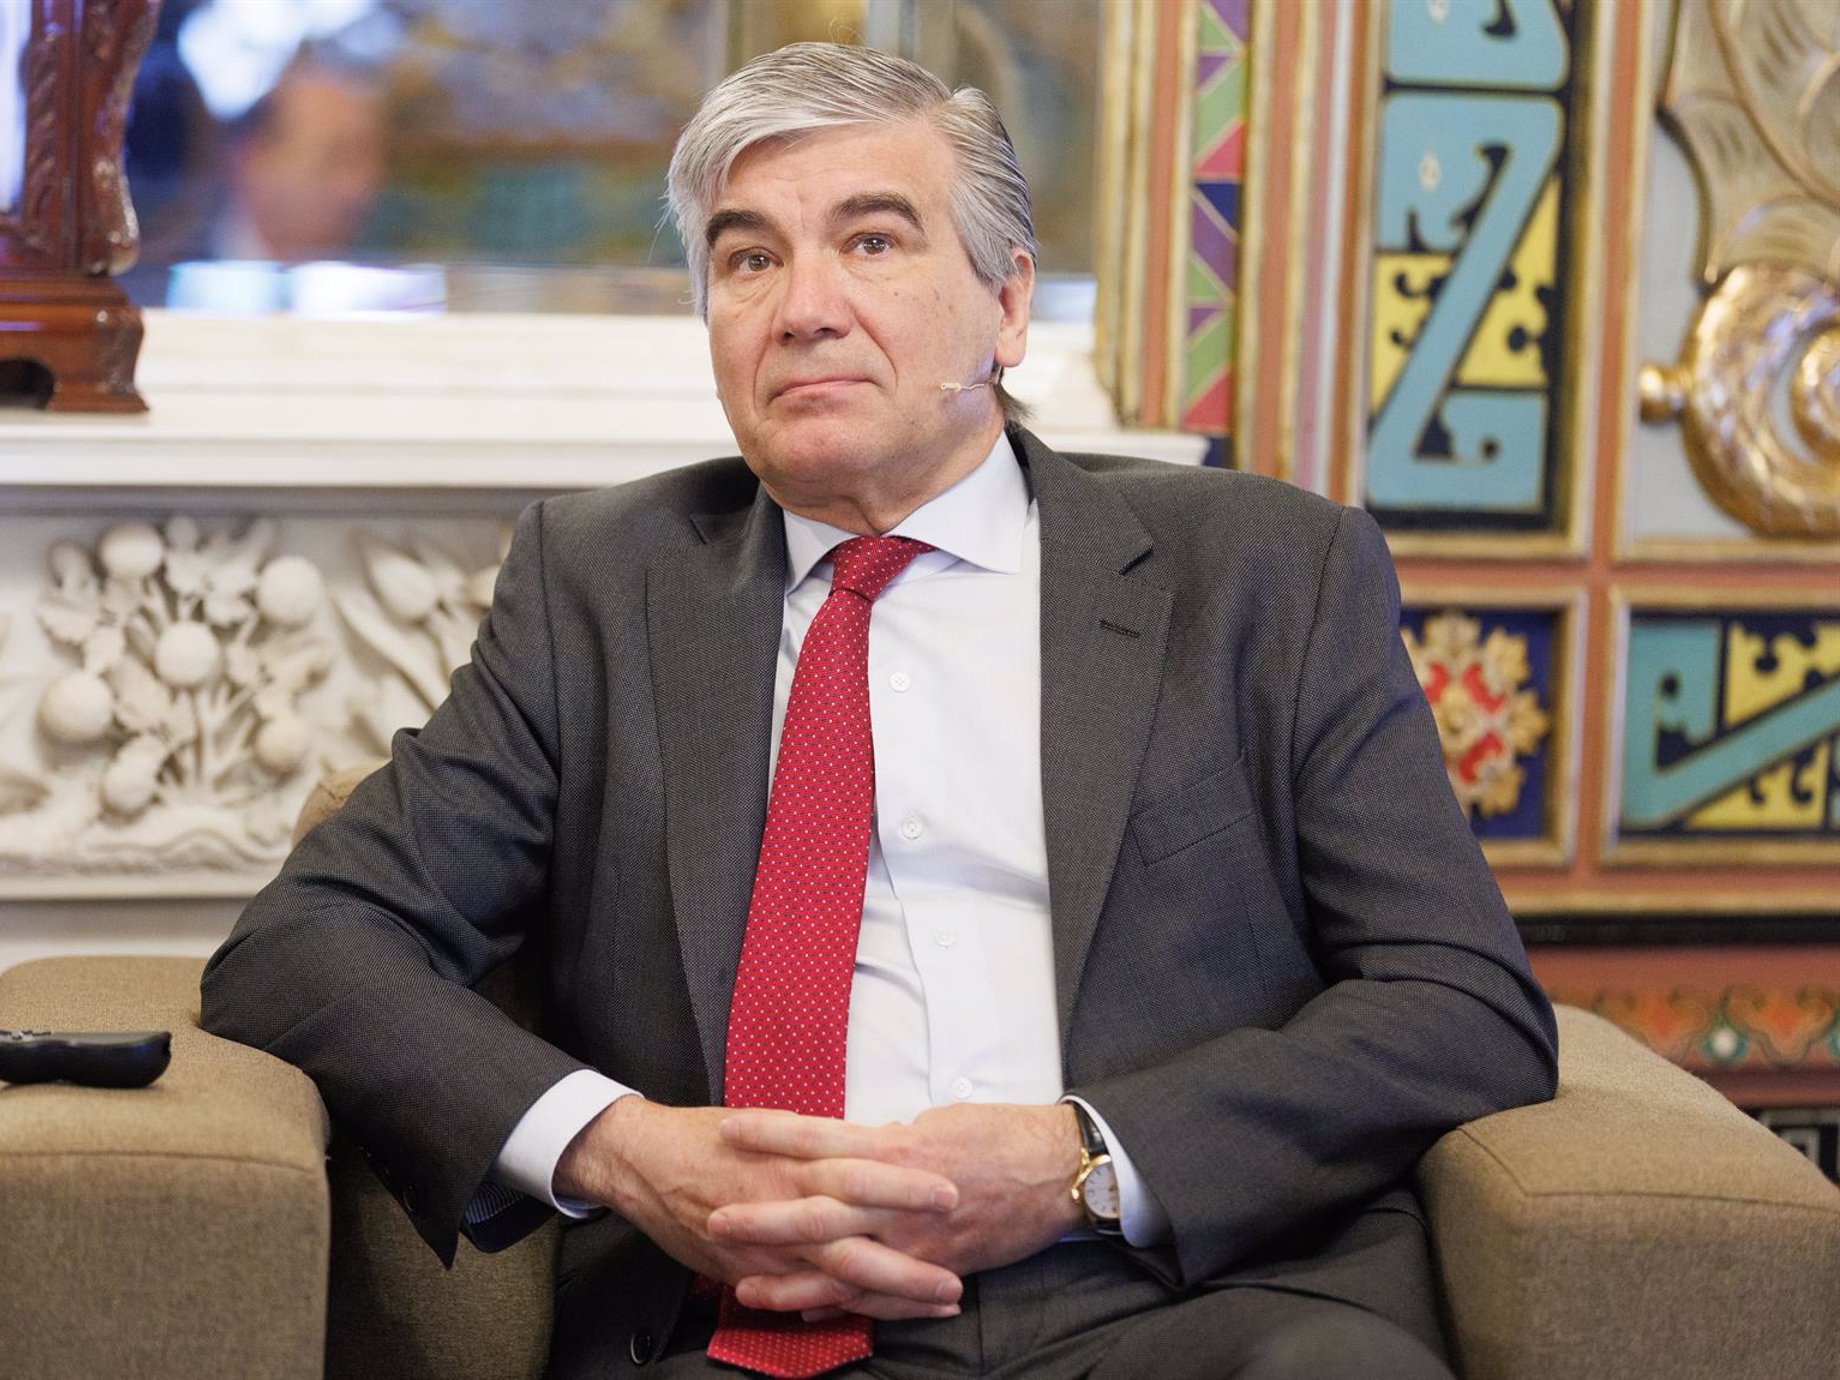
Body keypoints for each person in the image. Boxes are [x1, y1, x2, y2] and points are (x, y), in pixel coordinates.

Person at [201, 42, 1557, 1380]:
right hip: (754, 1331)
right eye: (749, 259)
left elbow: (1461, 1001)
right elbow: (305, 946)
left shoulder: (1263, 575)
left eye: (873, 242)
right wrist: (629, 1150)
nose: (804, 308)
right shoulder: (599, 589)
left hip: (1198, 1299)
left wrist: (1083, 1160)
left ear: (1007, 306)